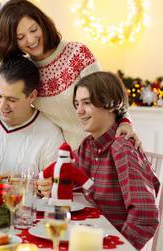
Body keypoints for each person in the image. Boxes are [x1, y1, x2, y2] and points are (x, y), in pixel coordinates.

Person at [0, 0, 137, 150]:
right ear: (13, 42)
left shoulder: (76, 53)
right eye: (20, 37)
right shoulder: (28, 72)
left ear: (42, 24)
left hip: (111, 144)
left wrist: (126, 123)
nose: (31, 39)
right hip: (77, 157)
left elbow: (109, 97)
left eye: (33, 29)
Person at [41, 71, 160, 249]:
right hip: (90, 234)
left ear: (111, 104)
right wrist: (51, 184)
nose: (79, 111)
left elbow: (144, 216)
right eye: (77, 104)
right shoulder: (88, 145)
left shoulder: (122, 148)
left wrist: (118, 246)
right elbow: (73, 180)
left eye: (87, 103)